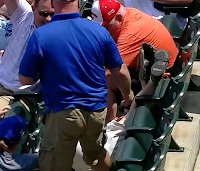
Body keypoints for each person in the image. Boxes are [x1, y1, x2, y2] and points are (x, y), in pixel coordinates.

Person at [18, 0, 133, 171]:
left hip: (63, 114)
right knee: (97, 157)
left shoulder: (41, 35)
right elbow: (121, 71)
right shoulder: (99, 31)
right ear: (79, 2)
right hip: (97, 113)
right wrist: (128, 95)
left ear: (53, 3)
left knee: (54, 166)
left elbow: (25, 79)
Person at [92, 0, 179, 121]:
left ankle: (110, 122)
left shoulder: (130, 34)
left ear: (118, 17)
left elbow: (111, 72)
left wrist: (128, 96)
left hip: (164, 79)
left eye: (106, 26)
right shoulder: (130, 13)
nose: (104, 31)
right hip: (163, 64)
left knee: (106, 80)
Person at [0, 0, 54, 108]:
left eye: (53, 14)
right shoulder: (24, 15)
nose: (48, 19)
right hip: (3, 86)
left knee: (12, 121)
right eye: (43, 14)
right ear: (33, 9)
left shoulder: (57, 31)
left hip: (28, 96)